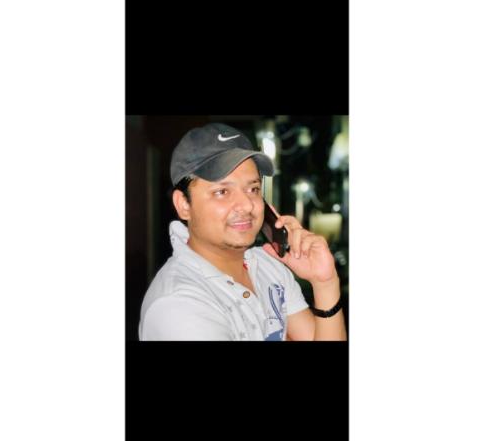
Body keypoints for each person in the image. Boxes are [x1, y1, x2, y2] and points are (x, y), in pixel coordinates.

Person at [139, 123, 347, 341]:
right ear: (183, 205)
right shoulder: (178, 305)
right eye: (222, 191)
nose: (247, 205)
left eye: (253, 189)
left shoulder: (267, 266)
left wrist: (325, 283)